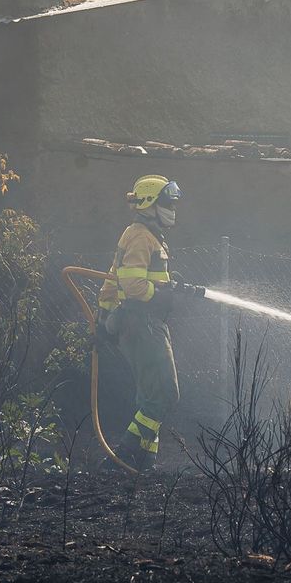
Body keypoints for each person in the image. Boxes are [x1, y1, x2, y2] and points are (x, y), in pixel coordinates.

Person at [97, 174, 193, 468]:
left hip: (141, 323)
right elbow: (135, 285)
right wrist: (162, 295)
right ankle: (124, 455)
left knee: (150, 396)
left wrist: (103, 321)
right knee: (165, 393)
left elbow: (112, 282)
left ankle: (145, 460)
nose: (172, 209)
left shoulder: (145, 235)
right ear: (151, 203)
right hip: (143, 323)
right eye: (167, 202)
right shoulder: (141, 235)